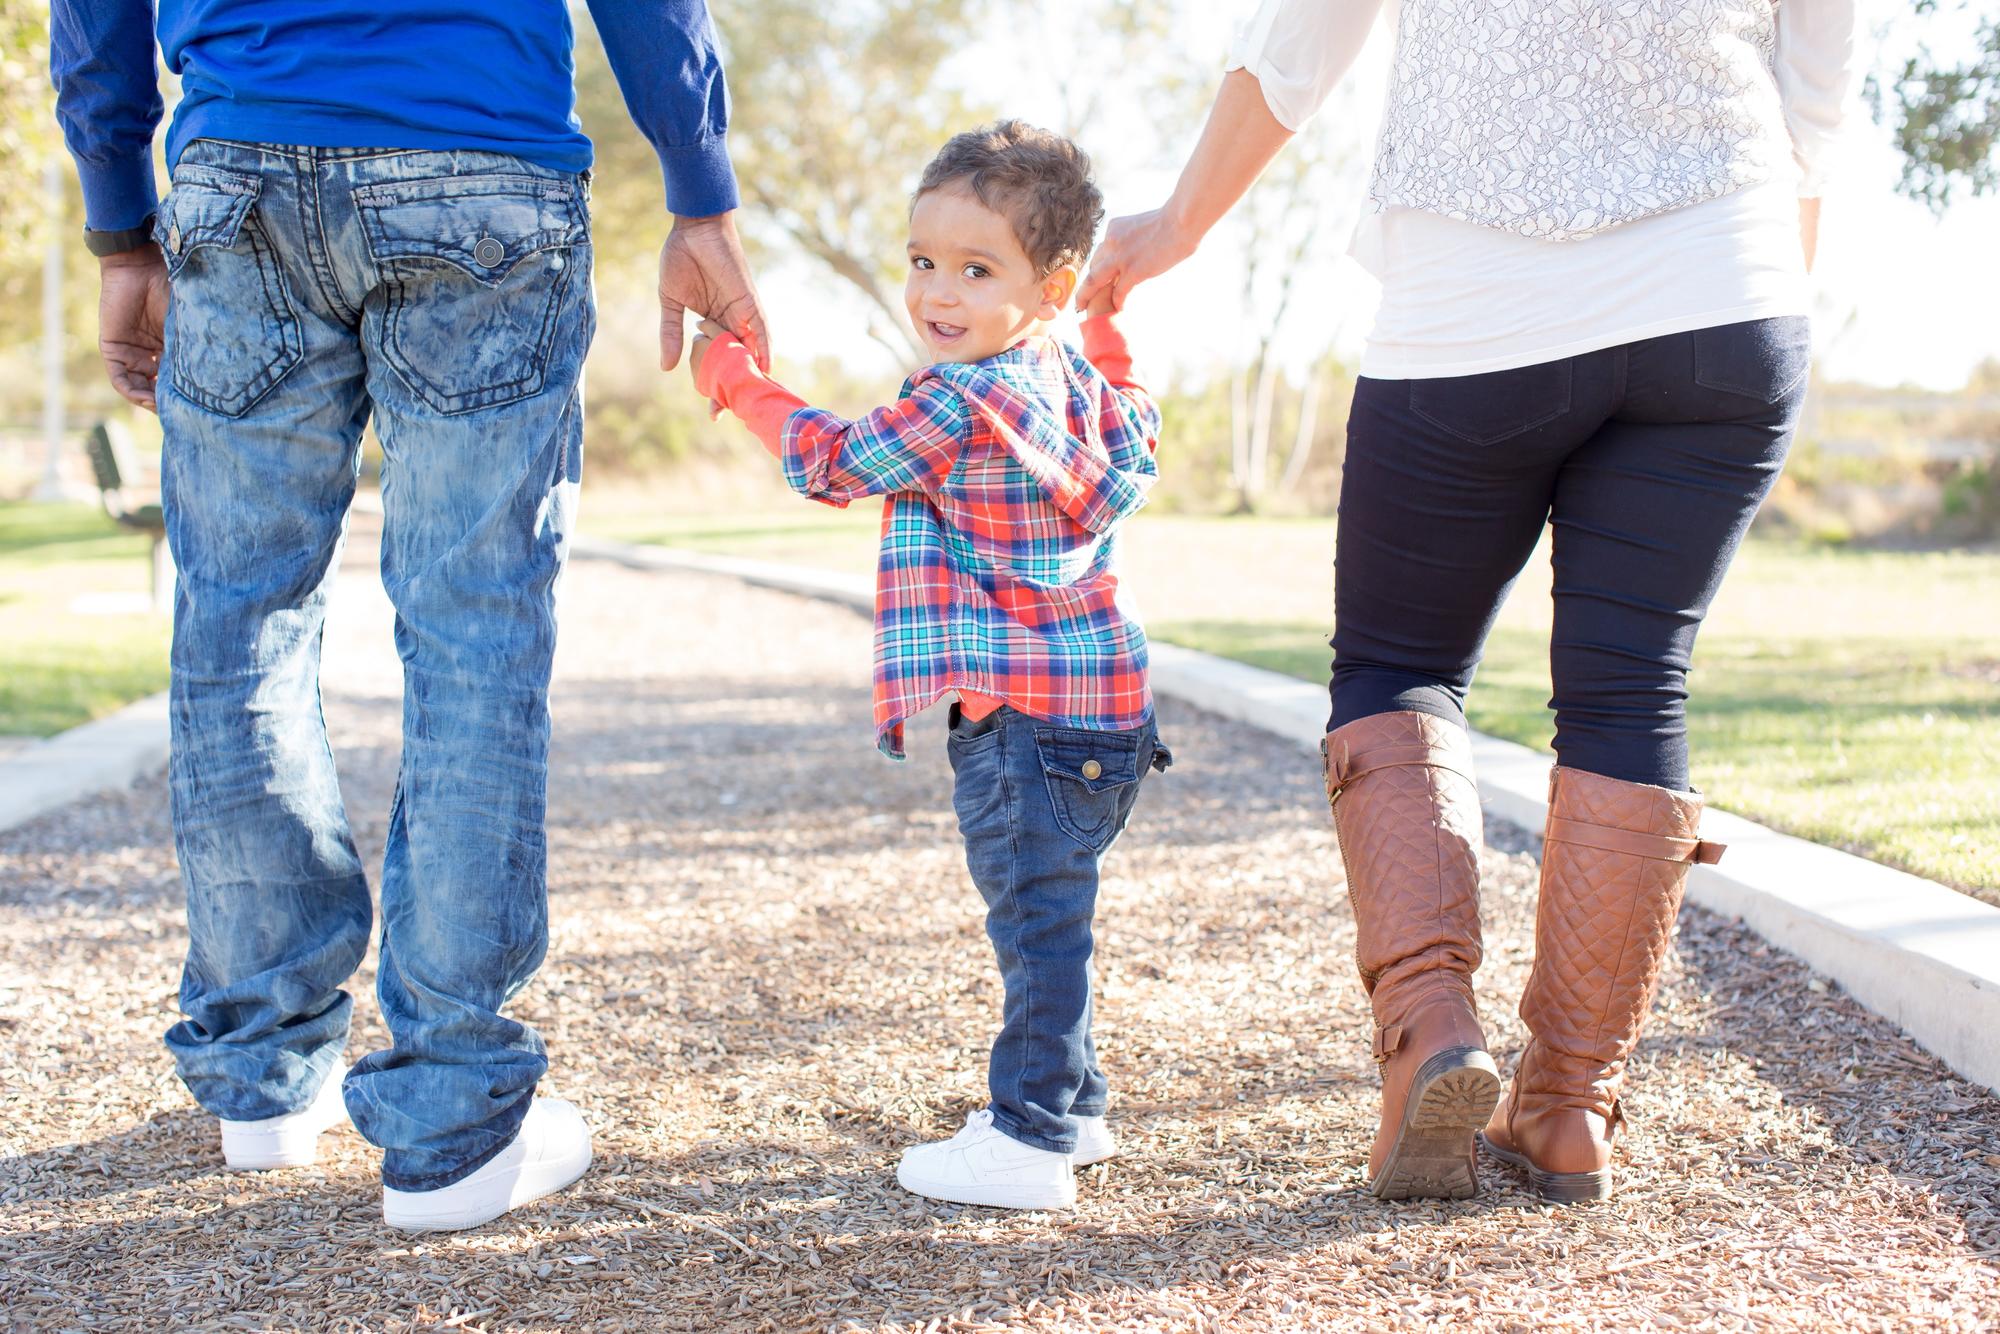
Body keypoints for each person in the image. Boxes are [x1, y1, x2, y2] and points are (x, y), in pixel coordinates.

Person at [1082, 0, 1858, 1203]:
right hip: (1725, 288)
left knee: (1399, 663)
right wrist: (1748, 292)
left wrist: (1179, 222)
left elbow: (1303, 36)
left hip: (1474, 290)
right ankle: (1566, 1107)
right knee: (1629, 683)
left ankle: (1428, 1033)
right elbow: (1818, 88)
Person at [50, 0, 769, 1231]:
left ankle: (265, 1073)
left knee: (238, 625)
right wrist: (698, 187)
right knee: (473, 635)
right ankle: (453, 1117)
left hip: (245, 170)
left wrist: (121, 219)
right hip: (480, 164)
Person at [691, 121, 1172, 1211]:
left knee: (1035, 923)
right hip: (1103, 709)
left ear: (1044, 288)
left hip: (1016, 719)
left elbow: (829, 458)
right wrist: (1108, 324)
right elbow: (1137, 419)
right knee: (1057, 906)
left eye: (973, 268)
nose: (935, 293)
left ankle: (1030, 1134)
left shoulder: (956, 401)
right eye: (921, 261)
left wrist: (737, 382)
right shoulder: (1069, 378)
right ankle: (1073, 1103)